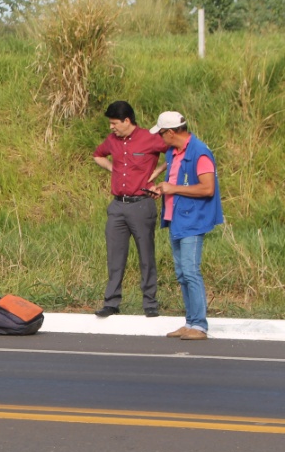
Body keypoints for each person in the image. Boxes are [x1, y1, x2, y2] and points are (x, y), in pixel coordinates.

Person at [150, 111, 223, 341]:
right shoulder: (174, 152)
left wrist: (174, 189)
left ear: (171, 132)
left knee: (191, 272)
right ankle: (190, 321)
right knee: (182, 274)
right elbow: (174, 177)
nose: (160, 138)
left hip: (193, 220)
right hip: (176, 218)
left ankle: (199, 326)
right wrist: (161, 187)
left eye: (161, 133)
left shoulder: (200, 152)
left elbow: (207, 188)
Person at [92, 101, 168, 318]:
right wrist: (112, 168)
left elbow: (175, 154)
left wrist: (158, 173)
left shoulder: (149, 138)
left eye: (114, 123)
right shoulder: (112, 140)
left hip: (141, 204)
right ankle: (111, 302)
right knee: (115, 256)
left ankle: (150, 302)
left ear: (127, 121)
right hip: (117, 206)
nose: (111, 127)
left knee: (146, 254)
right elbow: (98, 155)